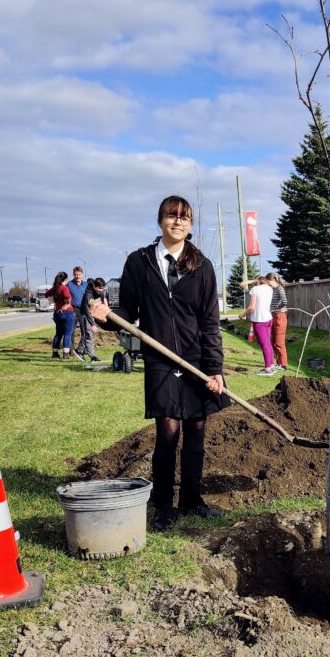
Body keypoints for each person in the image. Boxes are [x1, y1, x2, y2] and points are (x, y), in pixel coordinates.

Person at [90, 195, 226, 531]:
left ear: (190, 225)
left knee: (196, 430)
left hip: (196, 358)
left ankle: (192, 500)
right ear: (160, 219)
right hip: (160, 359)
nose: (178, 222)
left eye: (185, 218)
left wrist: (215, 367)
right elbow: (127, 312)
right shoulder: (140, 263)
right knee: (168, 431)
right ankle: (163, 505)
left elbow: (210, 322)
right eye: (171, 215)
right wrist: (106, 316)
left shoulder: (202, 266)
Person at [239, 276, 276, 375]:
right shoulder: (269, 289)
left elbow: (251, 307)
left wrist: (242, 314)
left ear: (258, 281)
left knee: (264, 345)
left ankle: (268, 369)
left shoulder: (255, 289)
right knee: (268, 343)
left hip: (259, 321)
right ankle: (272, 366)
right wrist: (258, 281)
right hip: (268, 319)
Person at [46, 271, 75, 359]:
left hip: (57, 313)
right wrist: (66, 305)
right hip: (67, 313)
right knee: (67, 334)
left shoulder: (55, 288)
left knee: (58, 334)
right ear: (65, 279)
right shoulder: (64, 288)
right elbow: (67, 298)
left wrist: (54, 301)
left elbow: (46, 294)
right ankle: (66, 354)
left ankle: (55, 353)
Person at [81, 277, 107, 362]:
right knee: (89, 334)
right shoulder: (88, 294)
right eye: (99, 288)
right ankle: (92, 356)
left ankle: (80, 350)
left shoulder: (101, 291)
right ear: (94, 286)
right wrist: (92, 324)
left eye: (102, 288)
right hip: (86, 314)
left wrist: (105, 312)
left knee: (90, 334)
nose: (101, 290)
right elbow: (87, 311)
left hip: (94, 312)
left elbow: (103, 300)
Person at [266, 272, 288, 371]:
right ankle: (278, 363)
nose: (268, 283)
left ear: (274, 280)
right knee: (273, 341)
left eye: (269, 281)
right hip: (272, 316)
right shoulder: (272, 289)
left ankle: (283, 364)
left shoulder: (279, 288)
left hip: (280, 316)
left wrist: (277, 308)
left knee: (279, 342)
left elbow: (284, 301)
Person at [67, 266, 88, 361]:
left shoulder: (86, 285)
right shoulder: (69, 284)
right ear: (73, 274)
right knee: (71, 331)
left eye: (79, 274)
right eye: (75, 274)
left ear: (82, 274)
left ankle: (80, 349)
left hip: (84, 310)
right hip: (73, 310)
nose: (77, 276)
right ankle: (71, 350)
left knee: (85, 331)